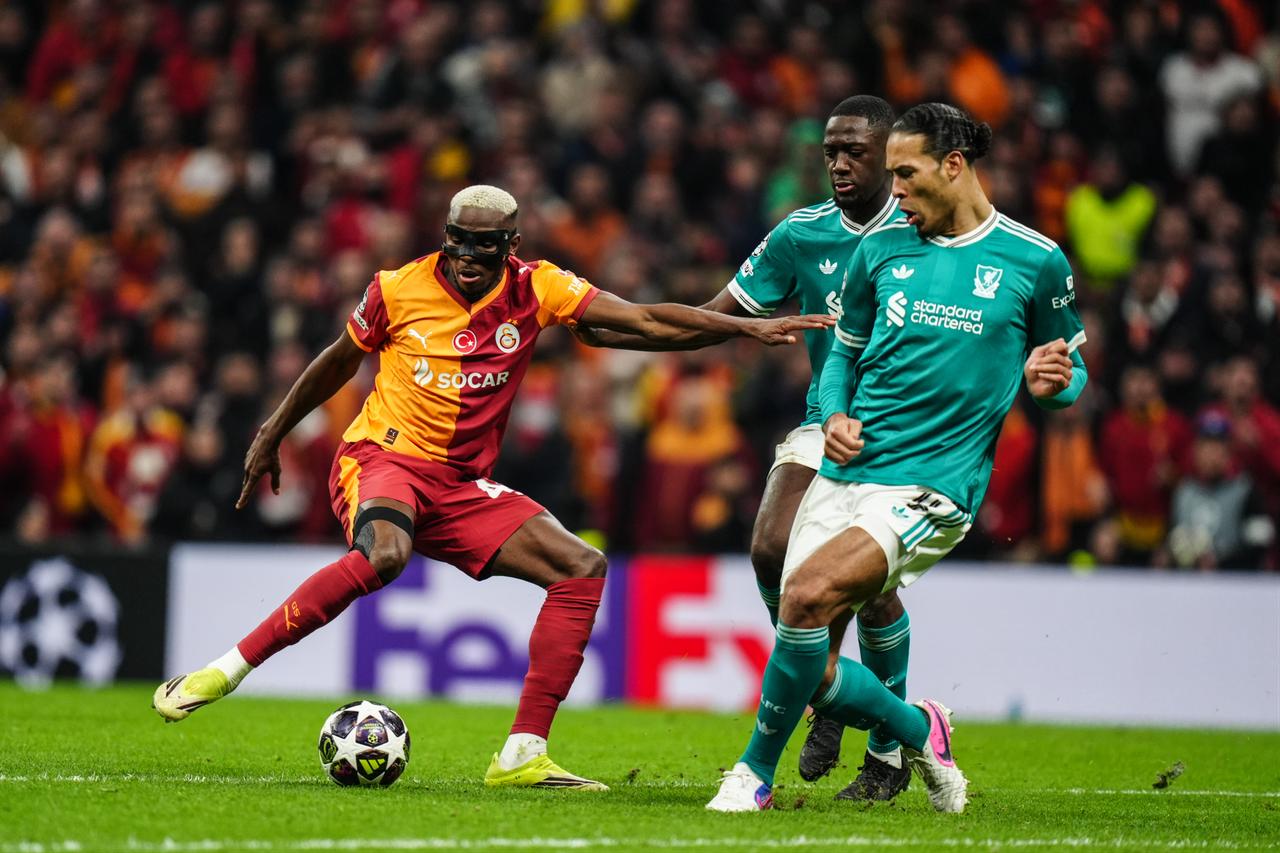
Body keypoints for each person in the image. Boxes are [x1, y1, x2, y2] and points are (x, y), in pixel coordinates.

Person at [153, 184, 830, 791]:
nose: (467, 257)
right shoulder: (396, 288)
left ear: (511, 246)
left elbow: (646, 320)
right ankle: (226, 669)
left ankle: (522, 754)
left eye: (484, 246)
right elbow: (337, 361)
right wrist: (272, 429)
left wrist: (745, 327)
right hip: (381, 458)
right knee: (386, 553)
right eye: (458, 243)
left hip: (459, 484)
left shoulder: (538, 288)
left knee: (580, 566)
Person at [706, 103, 1087, 814]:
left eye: (904, 174)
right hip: (849, 466)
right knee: (809, 658)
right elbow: (841, 355)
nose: (896, 191)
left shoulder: (1034, 260)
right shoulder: (882, 251)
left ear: (953, 165)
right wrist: (839, 413)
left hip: (934, 483)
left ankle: (750, 773)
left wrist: (1056, 386)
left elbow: (1070, 369)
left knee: (807, 595)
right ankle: (917, 728)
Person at [575, 95, 917, 801]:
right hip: (827, 420)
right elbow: (718, 316)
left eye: (854, 151)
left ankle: (887, 751)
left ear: (888, 155)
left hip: (903, 435)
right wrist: (624, 329)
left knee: (872, 592)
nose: (839, 164)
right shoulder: (802, 234)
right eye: (830, 151)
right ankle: (824, 687)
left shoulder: (925, 235)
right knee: (770, 546)